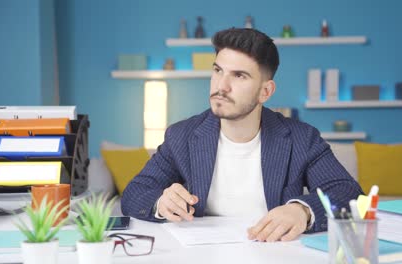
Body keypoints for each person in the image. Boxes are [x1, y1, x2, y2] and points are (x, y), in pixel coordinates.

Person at [122, 28, 363, 242]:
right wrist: (160, 203)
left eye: (239, 76)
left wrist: (303, 210)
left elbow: (350, 195)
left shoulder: (302, 138)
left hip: (275, 254)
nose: (221, 86)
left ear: (265, 91)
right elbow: (134, 193)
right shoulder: (182, 135)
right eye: (218, 71)